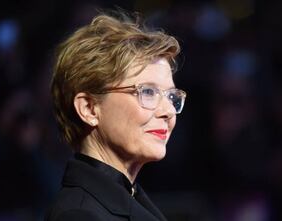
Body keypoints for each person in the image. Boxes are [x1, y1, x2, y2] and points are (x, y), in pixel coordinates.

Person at [44, 11, 186, 221]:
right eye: (147, 92)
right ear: (89, 109)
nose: (168, 111)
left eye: (171, 96)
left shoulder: (130, 200)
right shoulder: (79, 216)